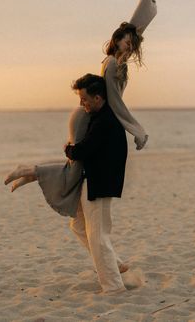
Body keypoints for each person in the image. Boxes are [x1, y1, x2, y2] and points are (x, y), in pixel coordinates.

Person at [4, 0, 157, 219]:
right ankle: (29, 171)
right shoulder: (113, 64)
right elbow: (115, 103)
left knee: (74, 168)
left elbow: (135, 28)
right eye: (127, 44)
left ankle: (30, 173)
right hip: (85, 115)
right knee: (74, 170)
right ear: (116, 40)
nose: (130, 47)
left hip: (87, 113)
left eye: (132, 45)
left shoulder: (116, 61)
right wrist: (137, 130)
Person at [65, 73, 128, 294]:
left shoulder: (105, 122)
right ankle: (116, 264)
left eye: (84, 99)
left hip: (100, 185)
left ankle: (113, 286)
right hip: (92, 181)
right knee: (79, 226)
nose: (81, 104)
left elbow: (81, 150)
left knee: (98, 236)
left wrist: (68, 149)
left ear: (98, 98)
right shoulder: (98, 117)